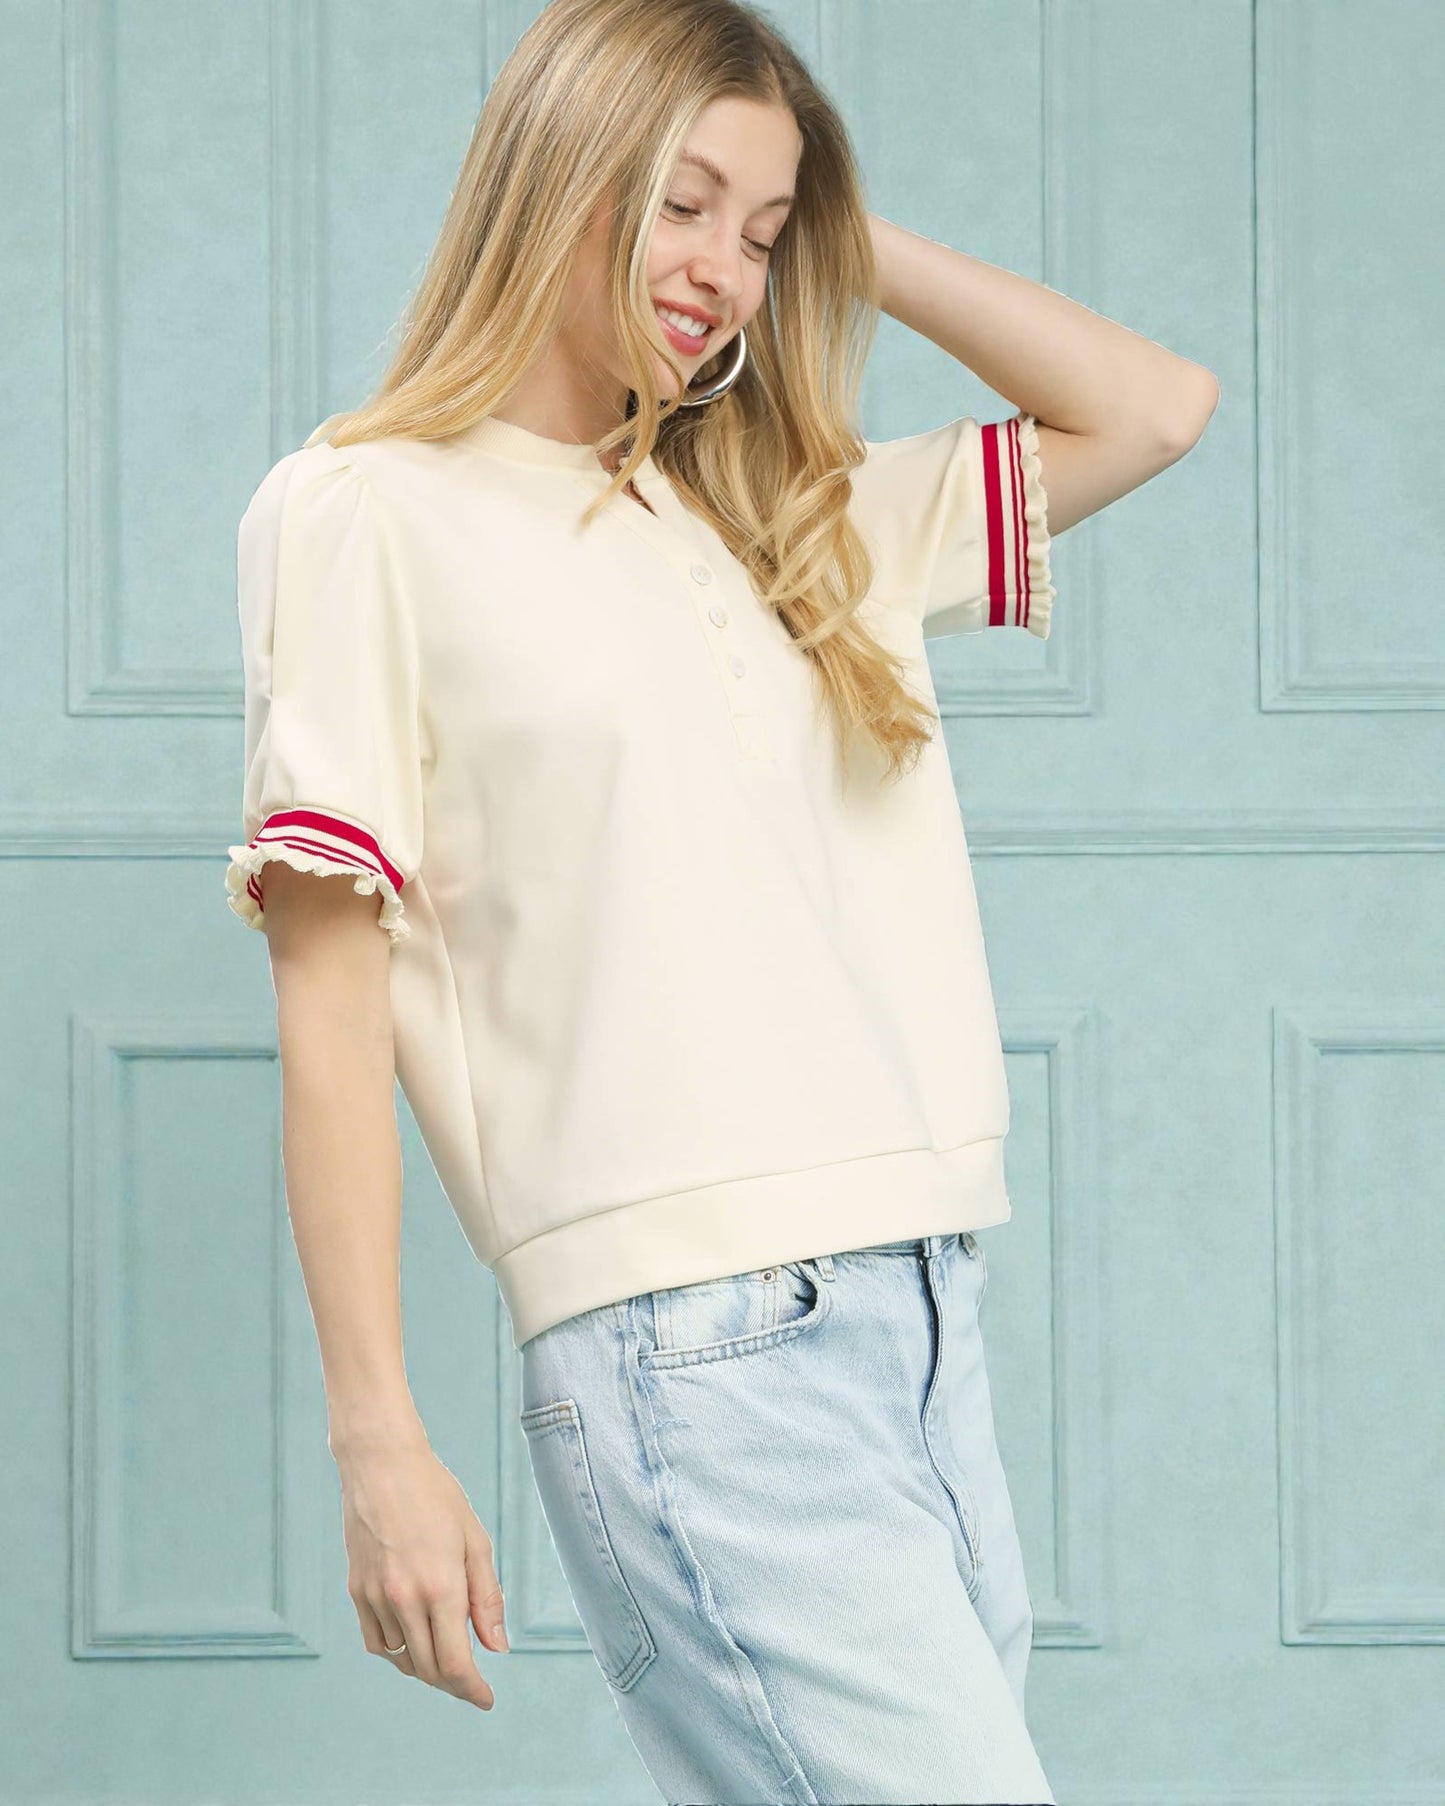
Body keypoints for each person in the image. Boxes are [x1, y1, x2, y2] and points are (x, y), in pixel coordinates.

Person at [222, 0, 1219, 1798]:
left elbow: (1153, 406)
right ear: (557, 177)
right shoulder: (363, 509)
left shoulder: (785, 519)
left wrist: (838, 232)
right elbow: (330, 993)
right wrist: (380, 1431)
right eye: (682, 203)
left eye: (764, 233)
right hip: (694, 1348)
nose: (725, 273)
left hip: (917, 1308)